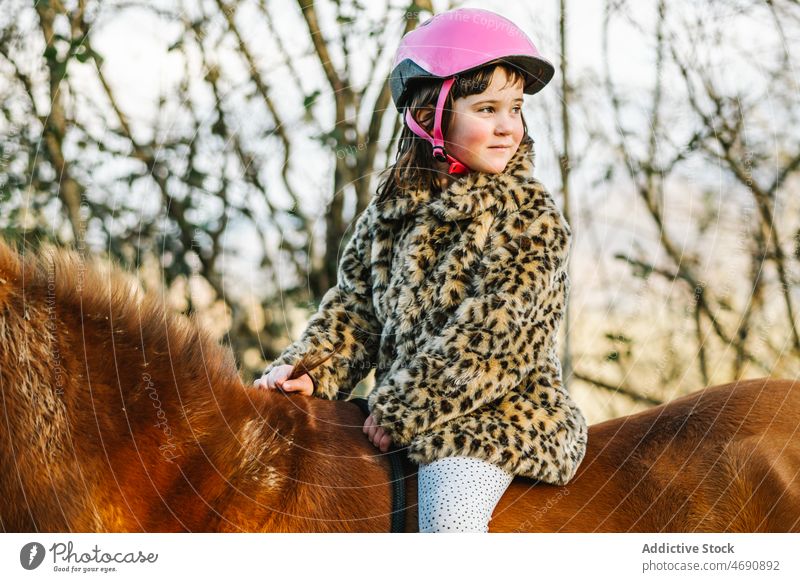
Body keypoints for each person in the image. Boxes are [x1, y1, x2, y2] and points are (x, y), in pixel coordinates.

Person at [255, 7, 588, 533]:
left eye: (516, 108)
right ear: (433, 115)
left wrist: (405, 406)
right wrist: (311, 368)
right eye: (487, 109)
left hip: (490, 421)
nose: (508, 127)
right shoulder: (389, 211)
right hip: (396, 416)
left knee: (447, 526)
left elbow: (494, 342)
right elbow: (356, 310)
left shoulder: (529, 218)